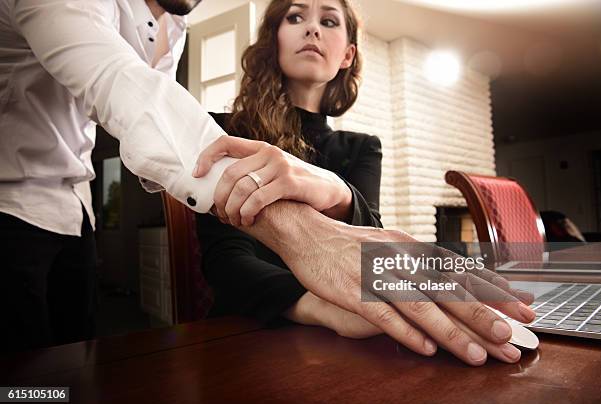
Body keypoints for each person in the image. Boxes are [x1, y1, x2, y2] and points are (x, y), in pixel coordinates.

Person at [192, 0, 536, 365]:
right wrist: (322, 305)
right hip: (248, 336)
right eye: (295, 17)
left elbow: (371, 246)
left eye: (328, 21)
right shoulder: (225, 131)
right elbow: (225, 260)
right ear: (272, 41)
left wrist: (339, 192)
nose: (312, 29)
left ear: (347, 55)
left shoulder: (362, 147)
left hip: (345, 343)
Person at [0, 0, 239, 352]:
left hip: (76, 209)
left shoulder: (174, 27)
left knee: (76, 364)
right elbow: (120, 84)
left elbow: (155, 134)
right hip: (11, 208)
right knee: (21, 382)